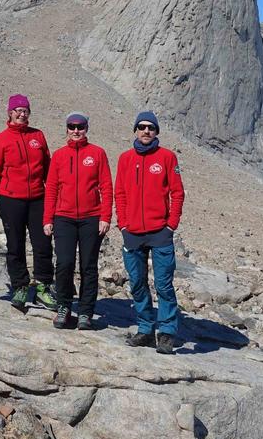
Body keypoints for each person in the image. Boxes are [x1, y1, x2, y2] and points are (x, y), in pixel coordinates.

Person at [114, 110, 185, 354]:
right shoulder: (125, 159)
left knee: (164, 285)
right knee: (137, 283)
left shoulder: (167, 157)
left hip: (160, 232)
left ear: (156, 132)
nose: (146, 131)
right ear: (135, 130)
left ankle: (166, 333)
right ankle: (145, 329)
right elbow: (119, 193)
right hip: (132, 232)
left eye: (151, 128)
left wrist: (171, 225)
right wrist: (122, 224)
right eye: (142, 127)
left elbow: (177, 193)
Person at [0, 94, 59, 313]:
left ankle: (43, 286)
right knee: (15, 245)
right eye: (18, 110)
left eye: (25, 110)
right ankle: (20, 287)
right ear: (10, 113)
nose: (21, 114)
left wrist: (54, 198)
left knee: (43, 243)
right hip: (10, 199)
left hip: (37, 198)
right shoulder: (1, 140)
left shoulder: (38, 136)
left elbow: (48, 169)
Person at [43, 112, 112, 330]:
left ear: (86, 129)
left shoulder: (98, 153)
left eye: (80, 127)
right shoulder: (59, 155)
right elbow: (52, 188)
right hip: (63, 217)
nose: (76, 131)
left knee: (88, 266)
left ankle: (85, 312)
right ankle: (64, 306)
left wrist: (105, 216)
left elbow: (106, 187)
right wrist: (48, 218)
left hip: (91, 217)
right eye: (72, 127)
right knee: (64, 263)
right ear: (66, 129)